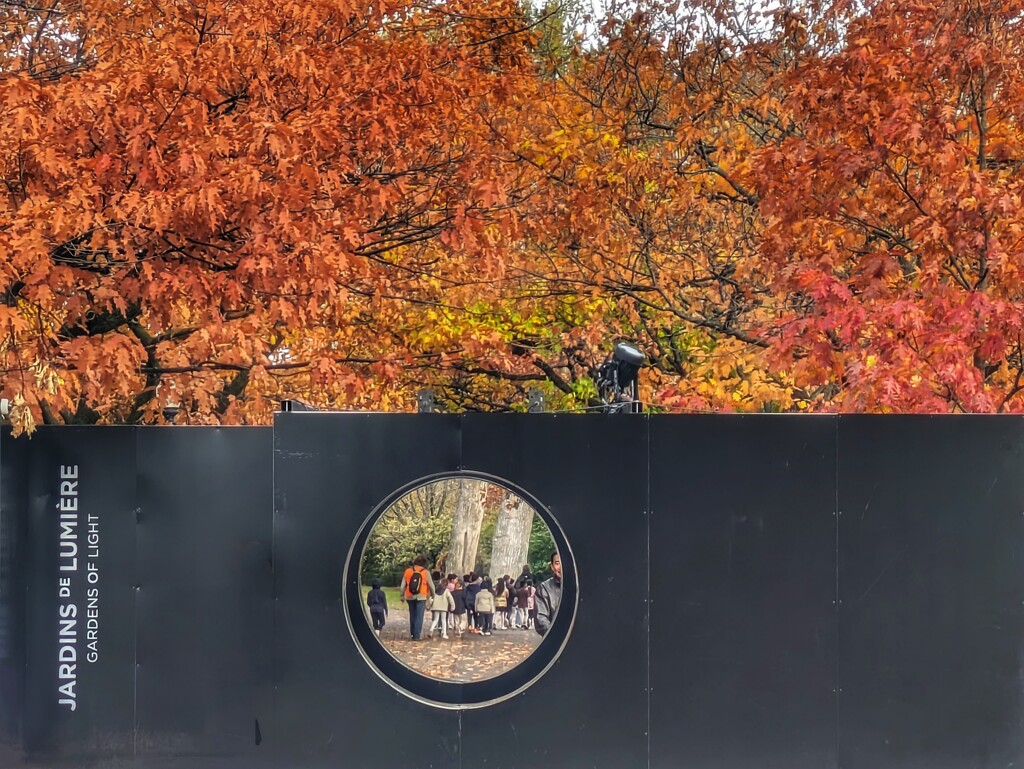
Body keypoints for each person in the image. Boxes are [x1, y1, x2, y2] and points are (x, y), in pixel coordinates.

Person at [399, 555, 434, 641]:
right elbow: (431, 586)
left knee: (412, 615)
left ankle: (412, 633)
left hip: (410, 596)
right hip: (421, 596)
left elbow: (403, 585)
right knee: (419, 616)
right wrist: (433, 595)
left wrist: (402, 595)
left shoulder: (408, 571)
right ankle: (417, 635)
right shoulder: (426, 572)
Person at [534, 551, 562, 637]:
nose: (561, 567)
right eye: (557, 563)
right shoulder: (544, 588)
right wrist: (557, 636)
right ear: (552, 567)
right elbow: (541, 620)